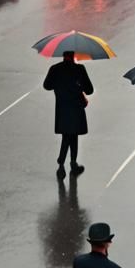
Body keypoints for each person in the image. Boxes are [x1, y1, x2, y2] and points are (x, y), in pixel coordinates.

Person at [43, 50, 94, 179]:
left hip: (62, 108)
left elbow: (47, 86)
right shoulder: (79, 69)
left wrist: (60, 85)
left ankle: (65, 162)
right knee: (73, 135)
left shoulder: (55, 69)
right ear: (74, 55)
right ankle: (69, 162)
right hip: (76, 108)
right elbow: (89, 90)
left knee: (68, 135)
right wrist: (78, 85)